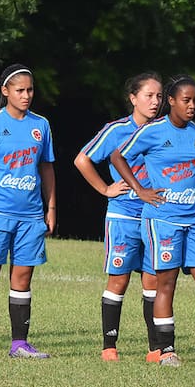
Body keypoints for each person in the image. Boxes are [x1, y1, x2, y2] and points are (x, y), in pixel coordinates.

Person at [110, 74, 195, 367]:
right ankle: (166, 350)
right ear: (171, 101)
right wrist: (140, 189)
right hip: (162, 221)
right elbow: (118, 156)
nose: (192, 105)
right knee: (166, 283)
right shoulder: (153, 131)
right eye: (186, 100)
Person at [0, 63, 56, 359]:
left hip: (30, 217)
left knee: (22, 278)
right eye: (20, 90)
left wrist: (50, 207)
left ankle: (20, 343)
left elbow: (46, 167)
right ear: (5, 92)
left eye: (30, 90)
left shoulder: (40, 125)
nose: (26, 95)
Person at [74, 72, 162, 362]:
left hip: (155, 218)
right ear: (133, 98)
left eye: (159, 96)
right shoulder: (116, 130)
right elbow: (82, 159)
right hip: (123, 216)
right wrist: (105, 189)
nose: (155, 101)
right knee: (119, 281)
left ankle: (155, 349)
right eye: (149, 95)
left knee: (153, 282)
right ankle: (109, 347)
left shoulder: (165, 130)